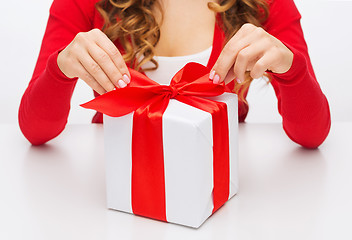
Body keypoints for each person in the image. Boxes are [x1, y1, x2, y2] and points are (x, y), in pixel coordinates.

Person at [19, 0, 331, 148]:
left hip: (222, 170)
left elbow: (312, 134)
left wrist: (292, 68)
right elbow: (35, 131)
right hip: (113, 172)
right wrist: (60, 69)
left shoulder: (268, 3)